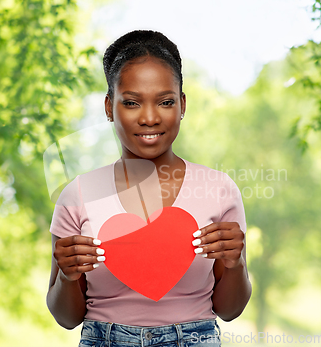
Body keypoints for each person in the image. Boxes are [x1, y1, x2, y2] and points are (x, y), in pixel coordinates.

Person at [46, 29, 251, 347]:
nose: (150, 117)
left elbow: (229, 310)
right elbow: (66, 318)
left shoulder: (219, 189)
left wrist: (235, 263)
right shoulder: (77, 196)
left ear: (182, 105)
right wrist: (67, 276)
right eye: (131, 103)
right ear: (109, 107)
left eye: (165, 101)